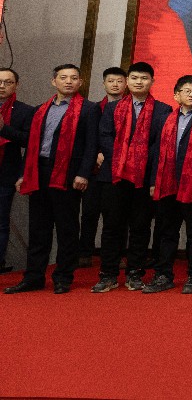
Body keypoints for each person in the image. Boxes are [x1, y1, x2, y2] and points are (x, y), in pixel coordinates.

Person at [5, 64, 99, 294]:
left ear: (80, 82)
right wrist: (23, 174)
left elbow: (91, 145)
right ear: (53, 82)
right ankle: (33, 277)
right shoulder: (41, 109)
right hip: (39, 172)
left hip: (68, 174)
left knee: (67, 229)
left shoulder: (89, 109)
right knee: (38, 229)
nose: (68, 82)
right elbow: (32, 145)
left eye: (74, 78)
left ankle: (63, 277)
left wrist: (83, 173)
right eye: (63, 77)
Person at [92, 62, 172, 293]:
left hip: (144, 177)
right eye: (135, 78)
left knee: (140, 226)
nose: (139, 82)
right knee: (112, 226)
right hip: (115, 176)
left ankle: (135, 272)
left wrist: (141, 161)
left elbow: (160, 144)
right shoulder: (112, 108)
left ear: (152, 82)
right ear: (127, 81)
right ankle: (108, 274)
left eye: (144, 78)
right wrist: (123, 158)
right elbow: (105, 136)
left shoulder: (162, 110)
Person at [143, 75, 192, 294]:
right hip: (166, 182)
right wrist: (153, 181)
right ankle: (163, 275)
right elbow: (157, 152)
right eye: (186, 91)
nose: (191, 94)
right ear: (176, 95)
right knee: (166, 231)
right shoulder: (164, 119)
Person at [78, 66, 126, 268]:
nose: (115, 84)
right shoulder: (94, 108)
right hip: (95, 169)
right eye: (111, 81)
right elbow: (87, 137)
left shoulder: (130, 108)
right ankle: (84, 253)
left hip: (120, 169)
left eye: (119, 81)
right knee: (89, 212)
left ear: (126, 84)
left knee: (116, 215)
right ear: (104, 84)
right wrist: (96, 154)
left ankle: (117, 254)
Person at [0, 69, 35, 275]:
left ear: (16, 85)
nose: (2, 86)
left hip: (5, 172)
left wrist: (3, 128)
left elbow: (29, 141)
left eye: (8, 82)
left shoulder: (25, 111)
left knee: (1, 220)